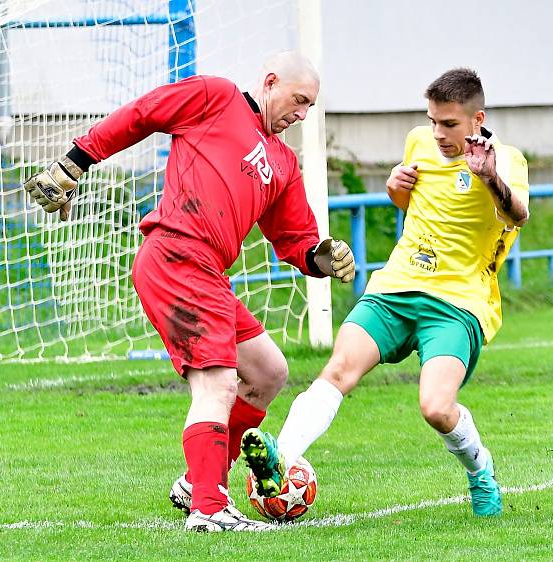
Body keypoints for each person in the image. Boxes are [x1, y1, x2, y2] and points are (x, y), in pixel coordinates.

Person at [23, 51, 355, 532]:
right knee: (217, 385)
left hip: (209, 273)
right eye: (299, 100)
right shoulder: (214, 97)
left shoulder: (283, 162)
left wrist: (323, 257)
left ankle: (199, 482)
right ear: (270, 82)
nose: (302, 114)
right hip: (177, 254)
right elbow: (143, 113)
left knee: (268, 371)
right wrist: (77, 160)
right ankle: (209, 508)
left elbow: (297, 241)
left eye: (310, 106)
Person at [240, 68, 529, 517]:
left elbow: (518, 214)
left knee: (436, 407)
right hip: (395, 288)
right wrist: (395, 189)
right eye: (433, 121)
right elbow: (413, 202)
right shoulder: (419, 142)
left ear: (478, 119)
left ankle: (480, 470)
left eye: (449, 124)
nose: (438, 133)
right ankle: (284, 459)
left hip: (457, 304)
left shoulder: (505, 160)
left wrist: (489, 177)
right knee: (337, 371)